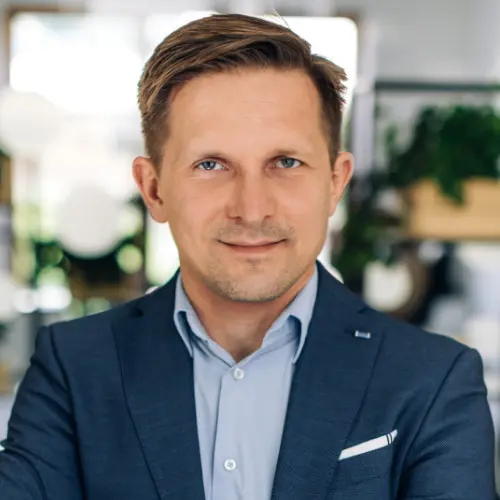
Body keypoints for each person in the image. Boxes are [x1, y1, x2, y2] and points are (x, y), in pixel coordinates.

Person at [0, 13, 495, 500]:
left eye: (286, 162)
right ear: (154, 189)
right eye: (211, 164)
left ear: (335, 183)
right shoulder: (73, 368)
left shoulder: (434, 380)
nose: (252, 209)